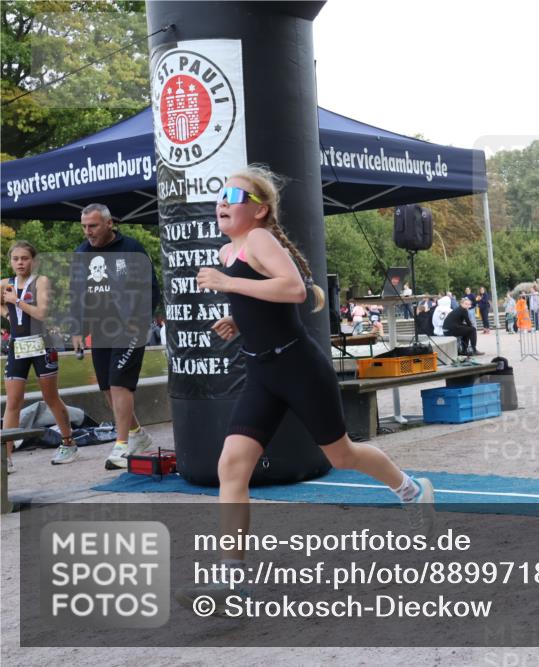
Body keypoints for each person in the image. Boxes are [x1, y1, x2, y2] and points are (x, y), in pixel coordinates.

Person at [183, 165, 434, 607]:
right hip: (261, 372)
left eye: (234, 197)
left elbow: (295, 290)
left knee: (342, 455)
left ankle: (412, 491)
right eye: (221, 194)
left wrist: (228, 284)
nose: (222, 201)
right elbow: (261, 298)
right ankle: (232, 583)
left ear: (260, 210)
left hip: (298, 366)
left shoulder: (259, 241)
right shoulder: (228, 251)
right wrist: (237, 318)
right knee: (232, 467)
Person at [71, 203, 158, 470]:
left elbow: (151, 288)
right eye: (84, 226)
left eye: (93, 226)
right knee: (108, 388)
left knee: (120, 384)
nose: (88, 232)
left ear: (109, 224)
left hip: (130, 328)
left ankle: (122, 446)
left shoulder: (132, 248)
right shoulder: (81, 253)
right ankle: (138, 435)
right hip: (101, 329)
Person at [2, 241, 77, 470]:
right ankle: (6, 458)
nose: (20, 263)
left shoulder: (41, 281)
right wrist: (8, 314)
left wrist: (16, 301)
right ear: (10, 261)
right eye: (16, 259)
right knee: (13, 401)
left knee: (50, 397)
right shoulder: (5, 283)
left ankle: (68, 443)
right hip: (18, 346)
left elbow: (42, 313)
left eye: (25, 258)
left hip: (42, 343)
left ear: (33, 261)